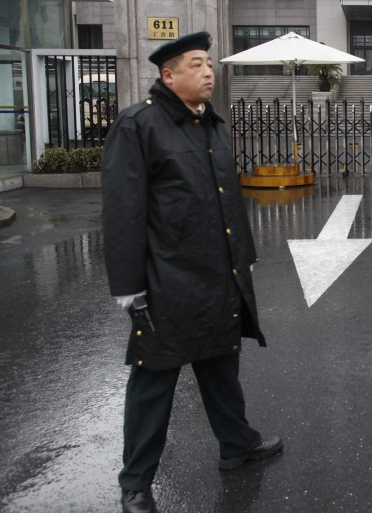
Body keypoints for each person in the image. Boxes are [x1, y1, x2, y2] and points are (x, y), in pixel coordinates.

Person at [102, 32, 281, 513]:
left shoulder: (211, 125)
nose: (208, 72)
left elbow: (228, 199)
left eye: (209, 64)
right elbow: (122, 212)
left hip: (218, 274)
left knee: (221, 365)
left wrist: (244, 256)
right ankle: (136, 483)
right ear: (168, 75)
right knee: (154, 379)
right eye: (196, 64)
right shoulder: (138, 125)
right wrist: (128, 287)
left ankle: (237, 444)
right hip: (166, 281)